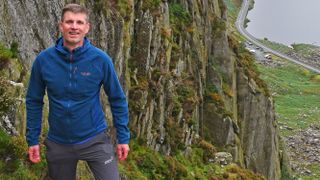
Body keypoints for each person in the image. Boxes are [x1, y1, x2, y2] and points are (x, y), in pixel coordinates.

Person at [25, 3, 130, 180]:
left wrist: (123, 137)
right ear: (61, 25)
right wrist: (33, 140)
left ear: (87, 27)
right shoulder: (44, 60)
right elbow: (34, 100)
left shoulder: (100, 60)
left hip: (95, 139)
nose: (74, 27)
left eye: (79, 22)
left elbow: (117, 99)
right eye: (69, 22)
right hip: (58, 143)